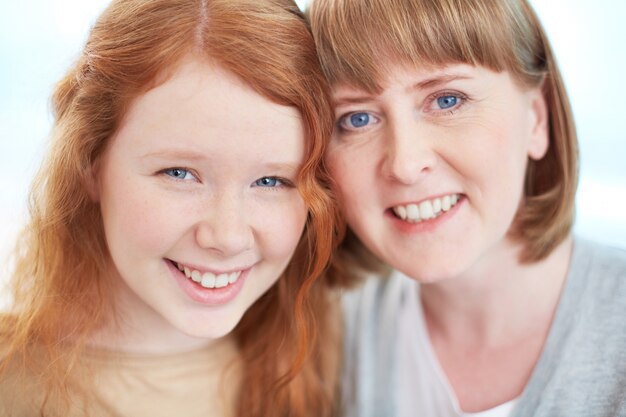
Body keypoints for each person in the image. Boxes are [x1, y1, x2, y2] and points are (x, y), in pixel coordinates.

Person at [0, 0, 344, 416]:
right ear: (89, 164)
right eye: (179, 174)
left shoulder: (341, 348)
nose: (227, 237)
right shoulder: (12, 386)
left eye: (272, 181)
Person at [308, 0, 626, 416]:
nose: (405, 164)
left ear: (537, 119)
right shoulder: (323, 347)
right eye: (357, 120)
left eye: (446, 100)